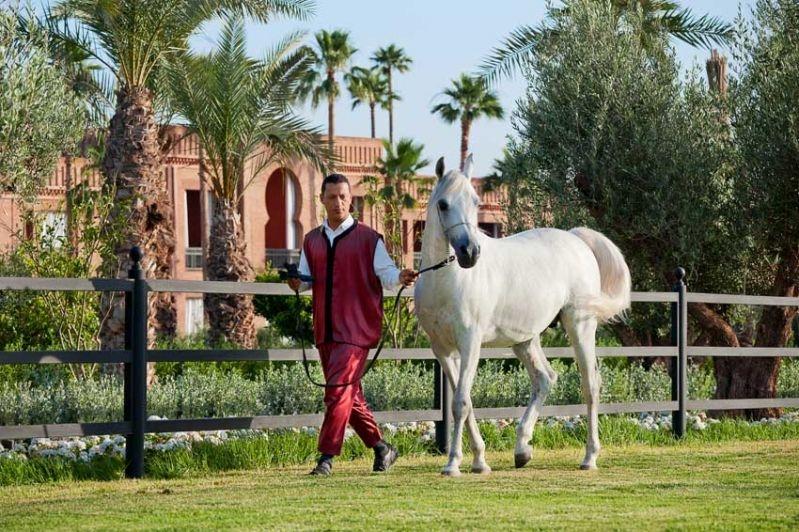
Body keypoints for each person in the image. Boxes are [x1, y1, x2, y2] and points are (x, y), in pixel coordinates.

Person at [287, 173, 418, 476]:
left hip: (356, 332)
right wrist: (296, 283)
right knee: (348, 395)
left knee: (336, 392)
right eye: (332, 196)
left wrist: (400, 277)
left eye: (343, 196)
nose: (338, 202)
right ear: (322, 199)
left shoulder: (369, 239)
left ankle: (326, 458)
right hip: (325, 331)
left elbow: (386, 273)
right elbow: (306, 282)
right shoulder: (312, 240)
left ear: (351, 199)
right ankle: (382, 448)